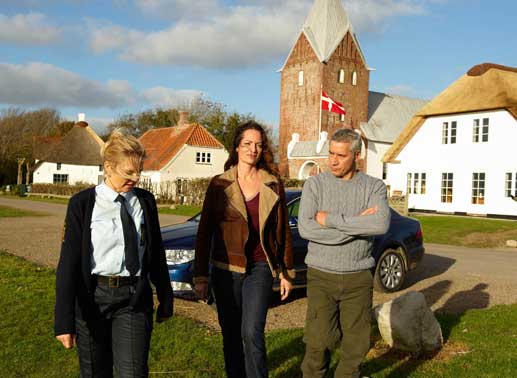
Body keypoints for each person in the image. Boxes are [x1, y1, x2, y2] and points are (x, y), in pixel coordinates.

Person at [54, 129, 173, 377]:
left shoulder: (145, 201)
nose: (136, 177)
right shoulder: (82, 204)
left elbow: (156, 253)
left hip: (133, 298)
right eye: (129, 172)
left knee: (133, 373)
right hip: (93, 298)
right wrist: (64, 321)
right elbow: (68, 264)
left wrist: (165, 296)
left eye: (139, 170)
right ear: (108, 167)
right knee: (96, 372)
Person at [194, 121, 294, 378]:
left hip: (260, 268)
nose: (253, 149)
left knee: (252, 333)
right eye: (247, 144)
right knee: (231, 336)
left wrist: (284, 272)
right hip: (225, 270)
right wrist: (201, 276)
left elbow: (281, 231)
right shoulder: (219, 185)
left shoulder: (272, 184)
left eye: (258, 145)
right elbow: (204, 232)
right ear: (237, 147)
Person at [298, 128, 390, 378]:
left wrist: (331, 219)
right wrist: (357, 224)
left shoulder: (374, 187)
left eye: (341, 155)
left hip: (358, 277)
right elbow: (306, 228)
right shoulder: (315, 184)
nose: (333, 161)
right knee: (317, 345)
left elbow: (380, 224)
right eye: (331, 153)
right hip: (321, 276)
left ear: (357, 155)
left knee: (355, 348)